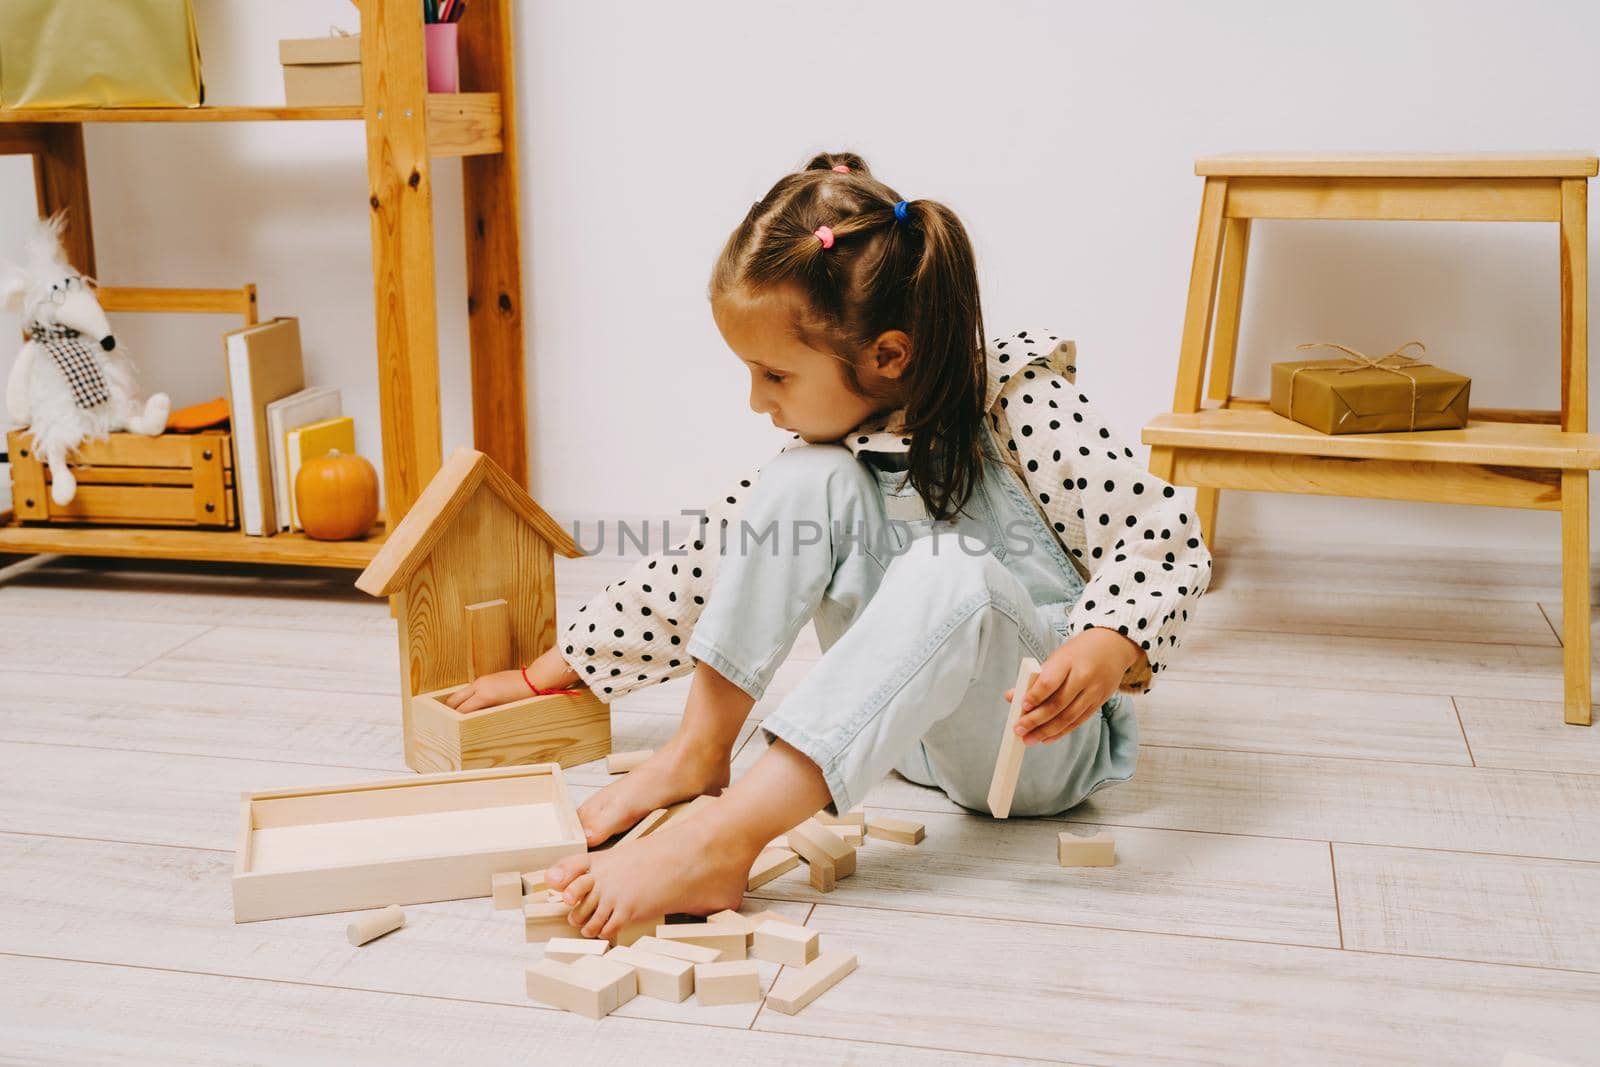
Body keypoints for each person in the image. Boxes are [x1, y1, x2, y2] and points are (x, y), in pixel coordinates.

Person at [445, 151, 1212, 940]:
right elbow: (707, 565)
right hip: (898, 740)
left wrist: (1109, 641)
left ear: (888, 355)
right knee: (794, 488)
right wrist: (556, 669)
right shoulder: (837, 445)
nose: (756, 399)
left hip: (1031, 749)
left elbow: (1167, 539)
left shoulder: (1024, 402)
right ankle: (699, 751)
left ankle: (724, 837)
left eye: (774, 375)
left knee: (951, 570)